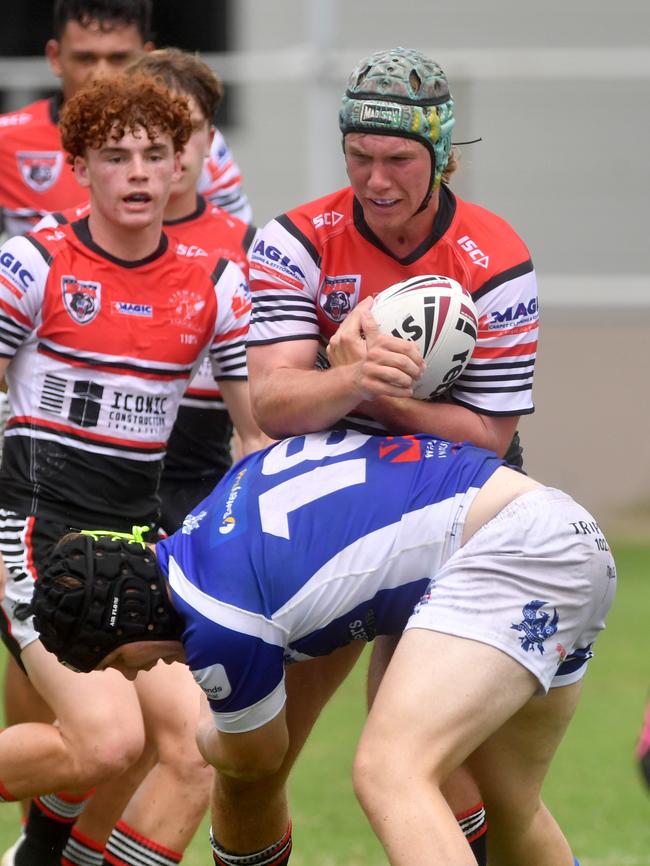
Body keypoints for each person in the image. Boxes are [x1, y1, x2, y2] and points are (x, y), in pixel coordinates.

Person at [30, 428, 616, 866]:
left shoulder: (218, 622)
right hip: (562, 530)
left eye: (117, 663)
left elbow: (255, 756)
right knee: (513, 808)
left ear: (127, 623)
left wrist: (207, 735)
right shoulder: (214, 514)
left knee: (392, 771)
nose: (135, 674)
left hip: (515, 553)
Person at [246, 45, 539, 860]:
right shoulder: (296, 241)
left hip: (456, 507)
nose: (377, 180)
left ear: (441, 152)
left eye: (400, 159)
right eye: (360, 156)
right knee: (255, 754)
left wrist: (367, 388)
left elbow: (491, 435)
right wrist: (342, 382)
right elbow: (272, 402)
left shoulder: (497, 258)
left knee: (422, 753)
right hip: (328, 507)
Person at [0, 72, 262, 866]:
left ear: (186, 161)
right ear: (79, 165)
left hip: (134, 546)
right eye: (116, 155)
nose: (140, 172)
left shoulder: (215, 285)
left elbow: (252, 440)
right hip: (32, 533)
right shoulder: (32, 264)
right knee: (110, 741)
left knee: (199, 747)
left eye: (157, 153)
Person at [41, 46, 261, 534]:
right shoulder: (54, 243)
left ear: (208, 139)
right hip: (71, 493)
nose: (168, 142)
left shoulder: (247, 255)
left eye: (185, 127)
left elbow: (257, 429)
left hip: (195, 489)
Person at [0, 0, 251, 239]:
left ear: (147, 56)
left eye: (118, 58)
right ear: (55, 57)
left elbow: (234, 251)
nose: (101, 75)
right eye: (85, 58)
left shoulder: (190, 138)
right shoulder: (5, 140)